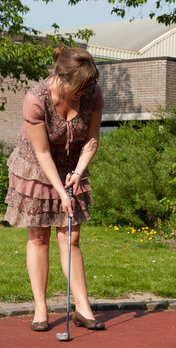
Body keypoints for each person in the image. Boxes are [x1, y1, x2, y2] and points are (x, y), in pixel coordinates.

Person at [4, 46, 106, 331]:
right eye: (80, 87)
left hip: (72, 166)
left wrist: (79, 172)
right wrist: (61, 192)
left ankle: (83, 308)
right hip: (37, 169)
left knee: (71, 237)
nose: (86, 93)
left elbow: (92, 139)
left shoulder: (92, 92)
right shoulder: (36, 99)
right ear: (62, 77)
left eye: (89, 87)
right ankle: (40, 306)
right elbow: (42, 153)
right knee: (38, 237)